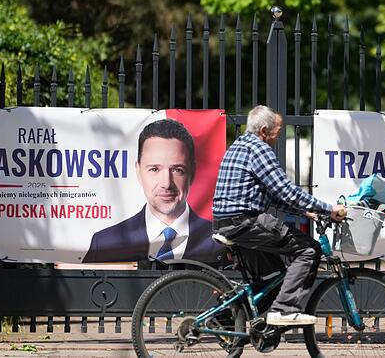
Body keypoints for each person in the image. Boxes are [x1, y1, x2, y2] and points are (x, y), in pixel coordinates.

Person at [212, 105, 347, 326]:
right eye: (278, 131)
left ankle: (224, 315)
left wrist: (305, 211)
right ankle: (284, 310)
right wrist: (328, 209)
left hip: (228, 222)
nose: (278, 136)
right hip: (246, 221)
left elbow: (273, 197)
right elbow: (285, 190)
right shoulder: (259, 149)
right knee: (309, 249)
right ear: (264, 130)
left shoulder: (238, 145)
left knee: (274, 279)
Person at [83, 118, 225, 264]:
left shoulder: (220, 243)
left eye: (177, 170)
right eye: (154, 169)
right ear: (138, 171)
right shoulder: (105, 242)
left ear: (193, 172)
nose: (166, 183)